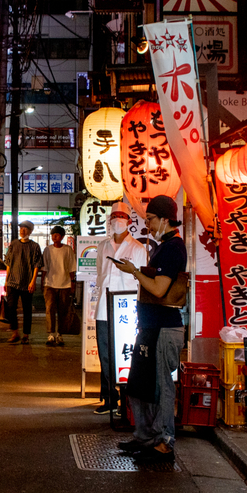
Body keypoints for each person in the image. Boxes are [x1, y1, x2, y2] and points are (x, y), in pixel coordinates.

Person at [112, 195, 188, 464]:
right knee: (140, 384)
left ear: (165, 219)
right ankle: (145, 437)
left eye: (152, 219)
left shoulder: (173, 248)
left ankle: (165, 442)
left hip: (164, 328)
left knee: (161, 387)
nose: (148, 224)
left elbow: (158, 288)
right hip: (150, 327)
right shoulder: (162, 246)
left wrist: (134, 271)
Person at [92, 202, 147, 414]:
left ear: (129, 221)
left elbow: (142, 280)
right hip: (105, 309)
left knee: (127, 353)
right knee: (105, 354)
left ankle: (127, 399)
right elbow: (99, 274)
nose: (117, 219)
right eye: (114, 216)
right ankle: (108, 398)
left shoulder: (137, 248)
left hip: (128, 310)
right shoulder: (102, 246)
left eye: (121, 216)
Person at [4, 220, 43, 343]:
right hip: (13, 281)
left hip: (27, 281)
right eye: (21, 228)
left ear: (30, 231)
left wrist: (33, 282)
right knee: (10, 307)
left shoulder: (35, 246)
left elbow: (37, 265)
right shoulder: (14, 244)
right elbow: (9, 263)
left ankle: (26, 334)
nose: (22, 230)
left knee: (27, 309)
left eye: (25, 229)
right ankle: (15, 332)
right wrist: (6, 280)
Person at [42, 226, 76, 346]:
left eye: (56, 235)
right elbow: (44, 267)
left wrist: (72, 283)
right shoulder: (47, 250)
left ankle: (60, 334)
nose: (54, 237)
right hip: (50, 283)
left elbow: (72, 267)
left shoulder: (67, 250)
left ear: (62, 237)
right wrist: (43, 283)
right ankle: (51, 334)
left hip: (65, 284)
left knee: (63, 310)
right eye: (53, 235)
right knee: (50, 309)